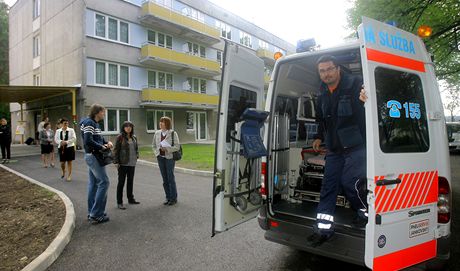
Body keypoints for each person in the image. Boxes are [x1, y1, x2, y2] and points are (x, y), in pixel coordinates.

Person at [308, 55, 367, 247]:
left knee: (350, 182)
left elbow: (373, 101)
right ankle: (323, 230)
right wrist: (318, 136)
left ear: (338, 69)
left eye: (329, 69)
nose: (326, 74)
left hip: (357, 146)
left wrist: (368, 98)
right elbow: (321, 119)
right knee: (328, 186)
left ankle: (364, 212)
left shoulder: (356, 83)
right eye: (322, 71)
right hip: (334, 148)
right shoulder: (322, 92)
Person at [80, 104, 112, 224]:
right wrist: (102, 147)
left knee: (93, 184)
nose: (104, 114)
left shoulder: (95, 124)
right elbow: (88, 140)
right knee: (104, 182)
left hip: (92, 156)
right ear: (97, 112)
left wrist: (106, 142)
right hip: (93, 156)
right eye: (103, 112)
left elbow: (97, 138)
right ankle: (97, 214)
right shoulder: (90, 123)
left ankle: (92, 212)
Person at [152, 116, 180, 206]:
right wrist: (156, 153)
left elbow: (177, 146)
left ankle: (173, 198)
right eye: (160, 122)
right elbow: (153, 145)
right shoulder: (157, 133)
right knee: (164, 179)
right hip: (160, 158)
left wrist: (167, 149)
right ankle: (168, 197)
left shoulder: (173, 133)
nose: (160, 123)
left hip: (169, 158)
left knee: (170, 178)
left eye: (163, 122)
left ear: (167, 123)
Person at [113, 121, 140, 210]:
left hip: (132, 163)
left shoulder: (134, 137)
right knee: (121, 182)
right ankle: (119, 202)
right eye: (126, 126)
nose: (128, 128)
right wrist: (116, 162)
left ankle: (130, 199)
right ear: (123, 128)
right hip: (123, 163)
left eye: (130, 126)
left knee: (130, 181)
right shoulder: (120, 137)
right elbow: (116, 150)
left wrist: (137, 155)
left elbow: (136, 148)